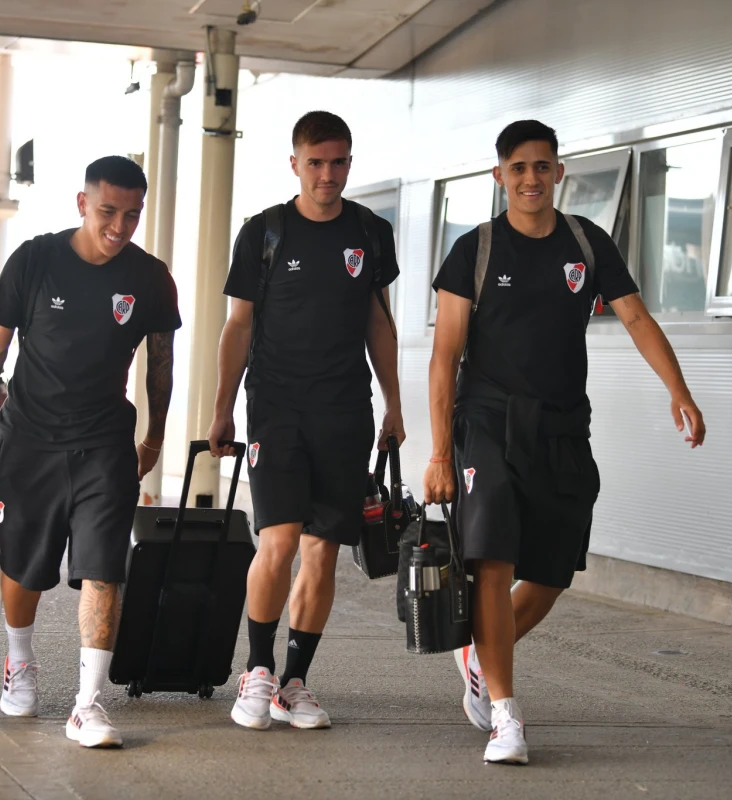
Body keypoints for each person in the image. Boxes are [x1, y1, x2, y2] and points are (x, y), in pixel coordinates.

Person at [422, 120, 706, 765]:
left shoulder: (586, 242)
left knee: (550, 573)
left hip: (560, 426)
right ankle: (505, 714)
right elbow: (445, 357)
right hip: (488, 422)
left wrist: (678, 390)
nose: (531, 178)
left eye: (542, 166)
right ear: (500, 176)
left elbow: (635, 315)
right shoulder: (475, 250)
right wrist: (441, 452)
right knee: (492, 558)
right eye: (518, 168)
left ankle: (479, 658)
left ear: (558, 172)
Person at [0, 155, 181, 749]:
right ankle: (19, 661)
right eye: (107, 212)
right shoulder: (36, 260)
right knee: (24, 567)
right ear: (82, 203)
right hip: (30, 439)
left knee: (104, 567)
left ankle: (88, 703)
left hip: (104, 443)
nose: (120, 226)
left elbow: (161, 363)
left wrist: (153, 437)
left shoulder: (150, 277)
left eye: (132, 214)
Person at [206, 111, 404, 731]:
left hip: (345, 409)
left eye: (338, 161)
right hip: (276, 406)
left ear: (350, 162)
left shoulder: (371, 232)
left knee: (321, 551)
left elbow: (379, 322)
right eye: (315, 162)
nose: (327, 174)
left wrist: (395, 404)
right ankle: (257, 670)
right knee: (280, 539)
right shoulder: (265, 232)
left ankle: (296, 682)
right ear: (295, 163)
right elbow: (237, 326)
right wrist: (221, 408)